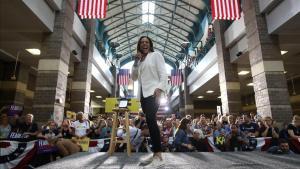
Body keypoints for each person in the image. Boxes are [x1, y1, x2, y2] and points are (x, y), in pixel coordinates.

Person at [132, 36, 168, 167]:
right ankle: (155, 154)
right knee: (150, 121)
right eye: (141, 42)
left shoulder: (156, 55)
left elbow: (163, 74)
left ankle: (158, 154)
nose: (144, 44)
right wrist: (136, 61)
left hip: (154, 93)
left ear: (150, 44)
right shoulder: (139, 60)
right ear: (139, 46)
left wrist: (159, 89)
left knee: (151, 120)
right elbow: (134, 77)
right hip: (143, 95)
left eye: (146, 42)